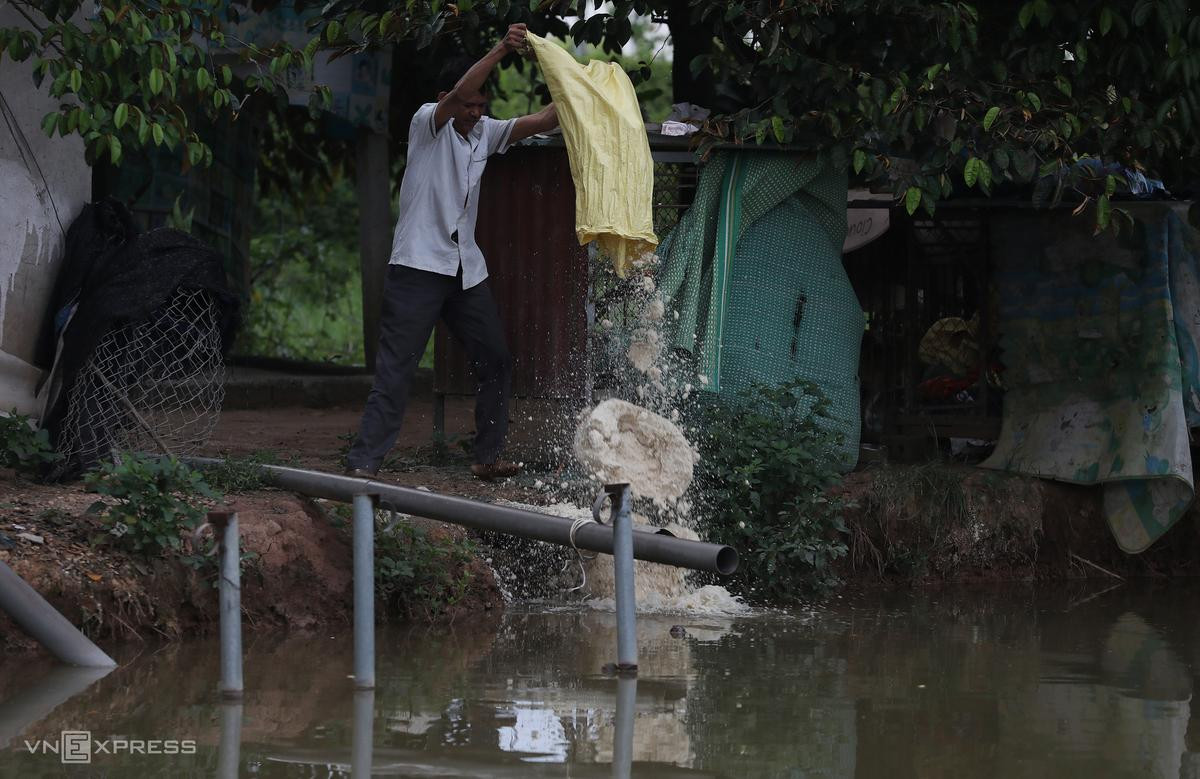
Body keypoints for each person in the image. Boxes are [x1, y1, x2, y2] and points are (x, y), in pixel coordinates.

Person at [346, 23, 558, 481]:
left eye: (482, 107)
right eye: (469, 105)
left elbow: (542, 122)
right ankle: (364, 463)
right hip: (418, 267)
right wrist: (502, 46)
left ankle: (487, 456)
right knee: (396, 370)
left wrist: (581, 84)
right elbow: (463, 88)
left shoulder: (485, 133)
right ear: (448, 100)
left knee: (496, 360)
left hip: (466, 270)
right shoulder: (429, 123)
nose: (475, 112)